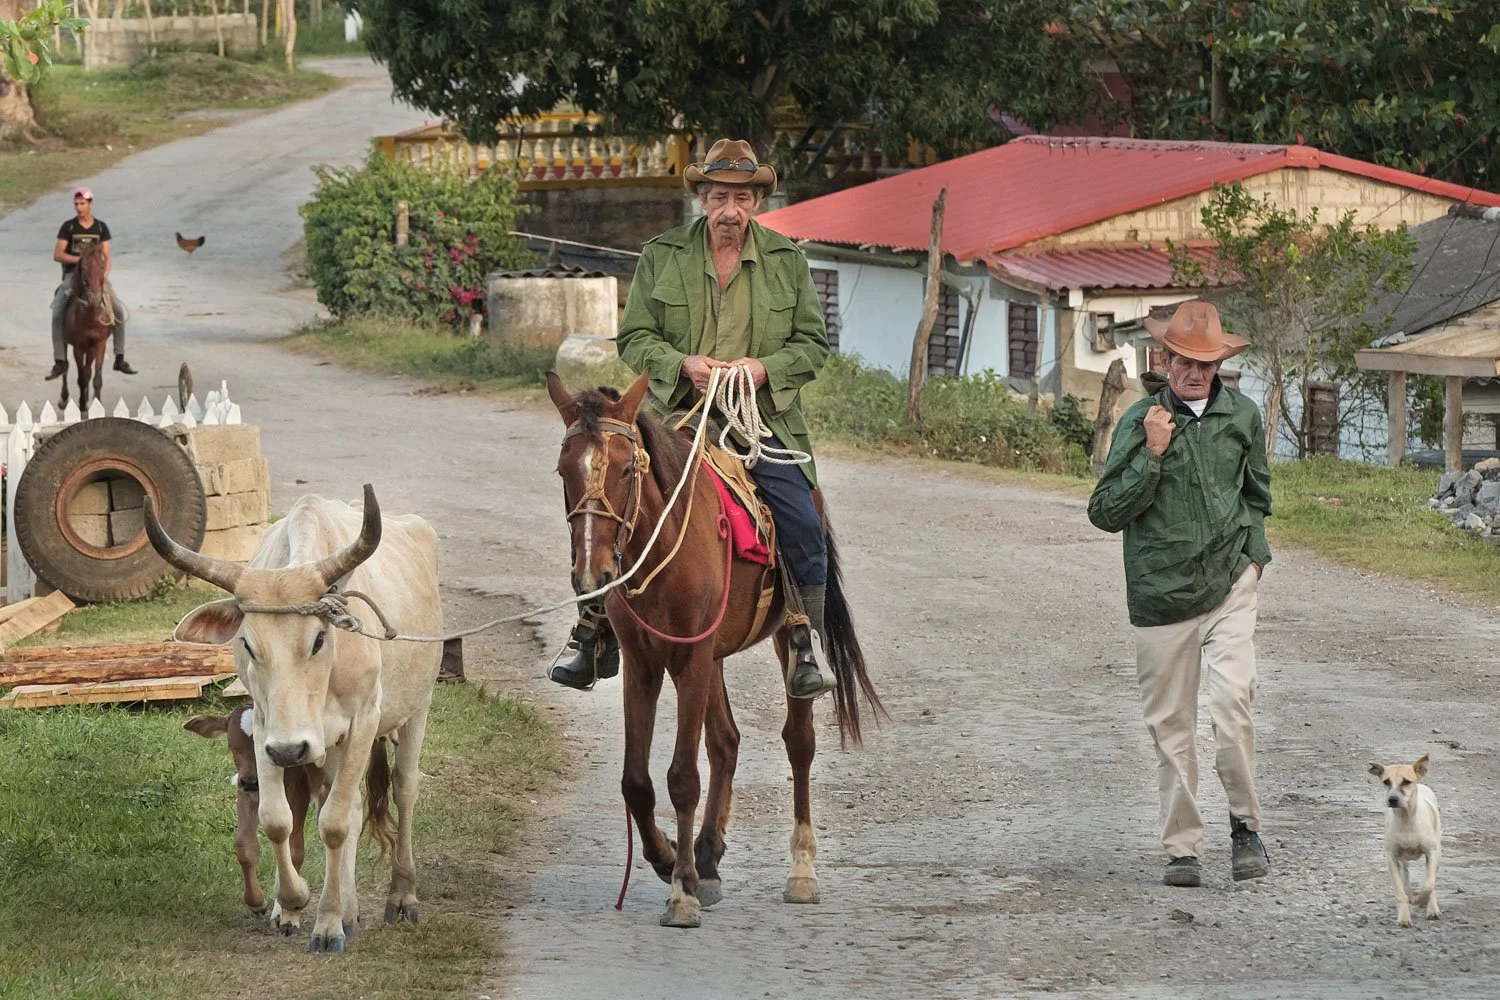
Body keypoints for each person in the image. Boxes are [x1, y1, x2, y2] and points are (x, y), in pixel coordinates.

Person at [548, 137, 834, 700]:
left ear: (757, 201)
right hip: (675, 415)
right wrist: (682, 365)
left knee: (799, 511)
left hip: (759, 418)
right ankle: (592, 628)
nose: (731, 209)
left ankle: (805, 640)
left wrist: (761, 368)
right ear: (702, 198)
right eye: (721, 196)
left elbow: (813, 346)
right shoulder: (662, 255)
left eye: (743, 198)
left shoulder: (787, 261)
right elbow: (635, 337)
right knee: (606, 496)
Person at [1087, 300, 1273, 888]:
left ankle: (1245, 828)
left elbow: (1257, 495)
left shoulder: (1242, 416)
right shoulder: (1142, 421)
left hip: (1228, 587)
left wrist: (1255, 558)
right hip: (1160, 598)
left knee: (1232, 705)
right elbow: (1104, 512)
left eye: (1207, 362)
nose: (1197, 372)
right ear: (1163, 359)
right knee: (1171, 728)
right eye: (1186, 360)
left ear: (1219, 362)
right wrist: (1152, 455)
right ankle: (1183, 851)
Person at [48, 187, 137, 380]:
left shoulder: (100, 227)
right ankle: (60, 361)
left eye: (83, 204)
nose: (79, 208)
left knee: (118, 311)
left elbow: (107, 255)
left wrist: (104, 274)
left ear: (91, 204)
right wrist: (79, 261)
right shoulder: (68, 227)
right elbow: (58, 254)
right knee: (57, 312)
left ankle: (119, 357)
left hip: (97, 277)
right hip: (74, 277)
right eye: (76, 204)